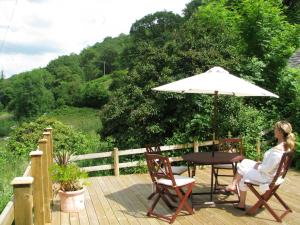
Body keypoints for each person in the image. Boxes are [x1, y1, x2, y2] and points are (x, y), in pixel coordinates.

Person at [225, 120, 296, 210]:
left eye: (275, 129)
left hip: (267, 177)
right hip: (273, 175)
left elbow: (266, 169)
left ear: (280, 132)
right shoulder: (286, 146)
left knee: (243, 175)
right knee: (245, 162)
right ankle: (233, 185)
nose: (274, 130)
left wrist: (257, 166)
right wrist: (261, 164)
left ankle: (240, 202)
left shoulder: (277, 151)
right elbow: (273, 165)